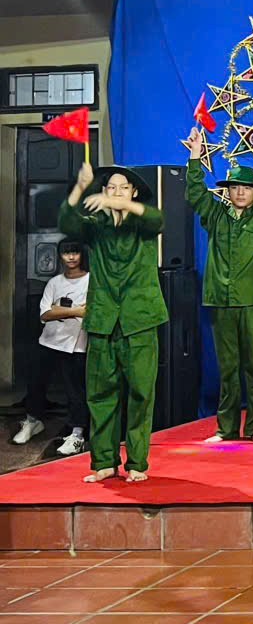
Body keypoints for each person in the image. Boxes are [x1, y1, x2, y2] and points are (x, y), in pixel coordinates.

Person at [59, 162, 168, 483]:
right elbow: (67, 223)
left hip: (139, 319)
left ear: (133, 192)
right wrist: (80, 187)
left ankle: (137, 463)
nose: (117, 192)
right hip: (104, 320)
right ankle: (104, 462)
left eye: (123, 187)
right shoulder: (96, 226)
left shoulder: (143, 223)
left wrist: (116, 203)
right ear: (103, 190)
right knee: (100, 395)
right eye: (111, 187)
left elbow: (157, 219)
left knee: (140, 395)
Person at [182, 120, 253, 444]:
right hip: (221, 301)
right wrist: (195, 156)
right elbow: (195, 193)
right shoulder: (215, 216)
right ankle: (226, 428)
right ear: (227, 191)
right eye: (235, 187)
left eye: (247, 187)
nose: (240, 192)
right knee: (227, 368)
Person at [19, 240, 91, 455]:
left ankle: (77, 434)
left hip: (76, 345)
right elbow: (45, 314)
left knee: (75, 390)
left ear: (82, 254)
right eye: (66, 253)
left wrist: (58, 310)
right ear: (59, 256)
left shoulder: (91, 281)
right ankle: (33, 421)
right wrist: (75, 311)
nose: (71, 257)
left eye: (75, 252)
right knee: (36, 383)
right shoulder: (54, 282)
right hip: (48, 340)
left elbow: (89, 311)